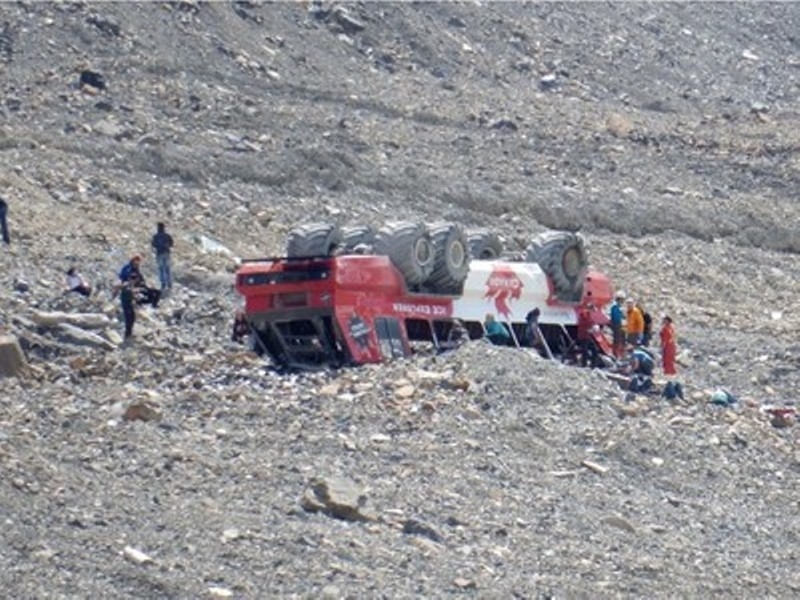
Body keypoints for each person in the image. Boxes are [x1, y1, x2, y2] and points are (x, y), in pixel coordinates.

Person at [151, 222, 174, 291]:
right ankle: (169, 283)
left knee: (161, 269)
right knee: (167, 269)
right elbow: (172, 243)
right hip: (166, 253)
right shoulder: (167, 236)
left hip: (159, 253)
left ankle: (163, 284)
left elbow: (153, 244)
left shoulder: (156, 236)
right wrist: (167, 246)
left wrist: (158, 246)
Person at [609, 291, 626, 358]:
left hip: (619, 325)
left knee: (621, 339)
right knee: (617, 340)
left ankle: (619, 353)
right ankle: (616, 354)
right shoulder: (615, 306)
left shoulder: (618, 307)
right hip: (617, 324)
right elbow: (616, 317)